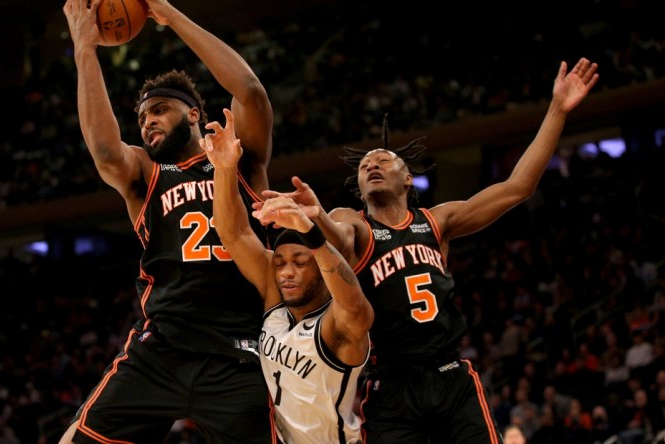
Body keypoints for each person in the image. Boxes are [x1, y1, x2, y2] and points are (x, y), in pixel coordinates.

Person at [255, 57, 599, 443]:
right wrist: (314, 216)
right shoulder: (353, 223)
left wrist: (556, 110)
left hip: (451, 377)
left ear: (408, 178)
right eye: (365, 164)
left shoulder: (439, 221)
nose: (373, 164)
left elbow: (518, 187)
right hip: (391, 387)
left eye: (384, 160)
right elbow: (333, 240)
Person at [59, 0, 275, 442]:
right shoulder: (144, 173)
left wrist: (170, 15)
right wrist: (85, 48)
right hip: (162, 346)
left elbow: (251, 92)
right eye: (141, 117)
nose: (147, 122)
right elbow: (104, 151)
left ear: (194, 113)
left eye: (158, 110)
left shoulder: (238, 158)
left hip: (239, 349)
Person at [200, 107, 374, 443]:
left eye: (299, 261)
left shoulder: (339, 325)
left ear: (320, 268)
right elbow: (234, 233)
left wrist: (311, 232)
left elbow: (354, 303)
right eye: (279, 262)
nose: (286, 272)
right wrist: (224, 169)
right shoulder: (276, 300)